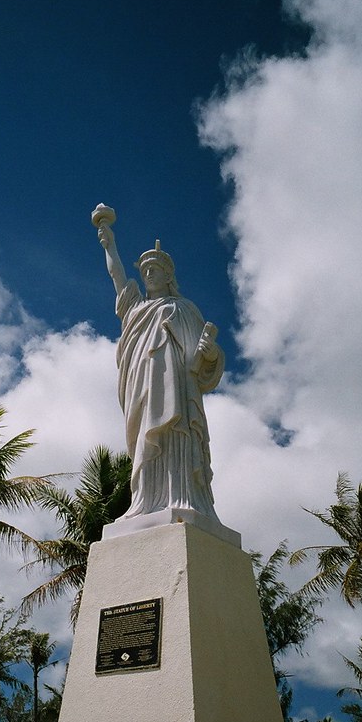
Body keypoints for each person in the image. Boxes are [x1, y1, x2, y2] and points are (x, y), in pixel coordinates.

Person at [95, 209, 224, 521]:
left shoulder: (184, 309)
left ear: (169, 275)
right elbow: (117, 277)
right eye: (146, 269)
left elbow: (203, 363)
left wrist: (209, 353)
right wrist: (109, 245)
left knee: (176, 434)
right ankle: (145, 503)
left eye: (155, 268)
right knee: (146, 441)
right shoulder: (136, 311)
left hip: (177, 389)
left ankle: (182, 498)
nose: (149, 274)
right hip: (143, 386)